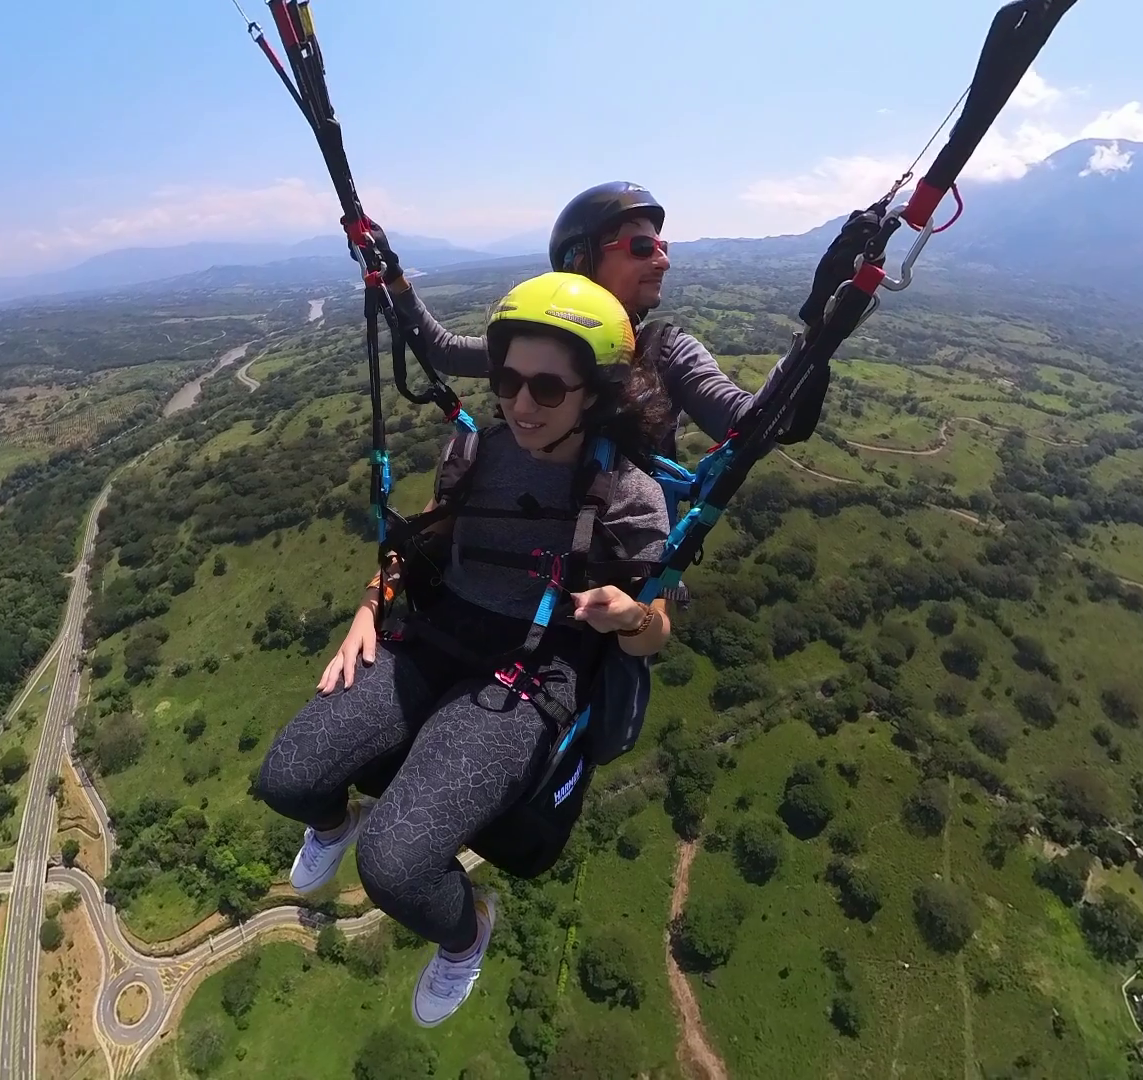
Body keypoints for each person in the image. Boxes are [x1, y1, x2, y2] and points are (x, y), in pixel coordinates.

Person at [253, 272, 675, 1028]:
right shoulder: (477, 451)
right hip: (439, 633)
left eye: (548, 390)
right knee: (287, 780)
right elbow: (422, 539)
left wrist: (627, 617)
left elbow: (659, 628)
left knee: (396, 868)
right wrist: (367, 610)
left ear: (595, 394)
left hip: (533, 667)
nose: (520, 403)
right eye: (508, 380)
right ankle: (331, 822)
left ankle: (466, 931)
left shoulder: (627, 493)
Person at [373, 181, 794, 457]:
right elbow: (444, 352)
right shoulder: (544, 347)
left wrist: (822, 328)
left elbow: (750, 426)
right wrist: (394, 279)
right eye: (643, 247)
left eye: (662, 246)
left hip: (620, 565)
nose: (663, 260)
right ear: (581, 261)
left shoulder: (665, 353)